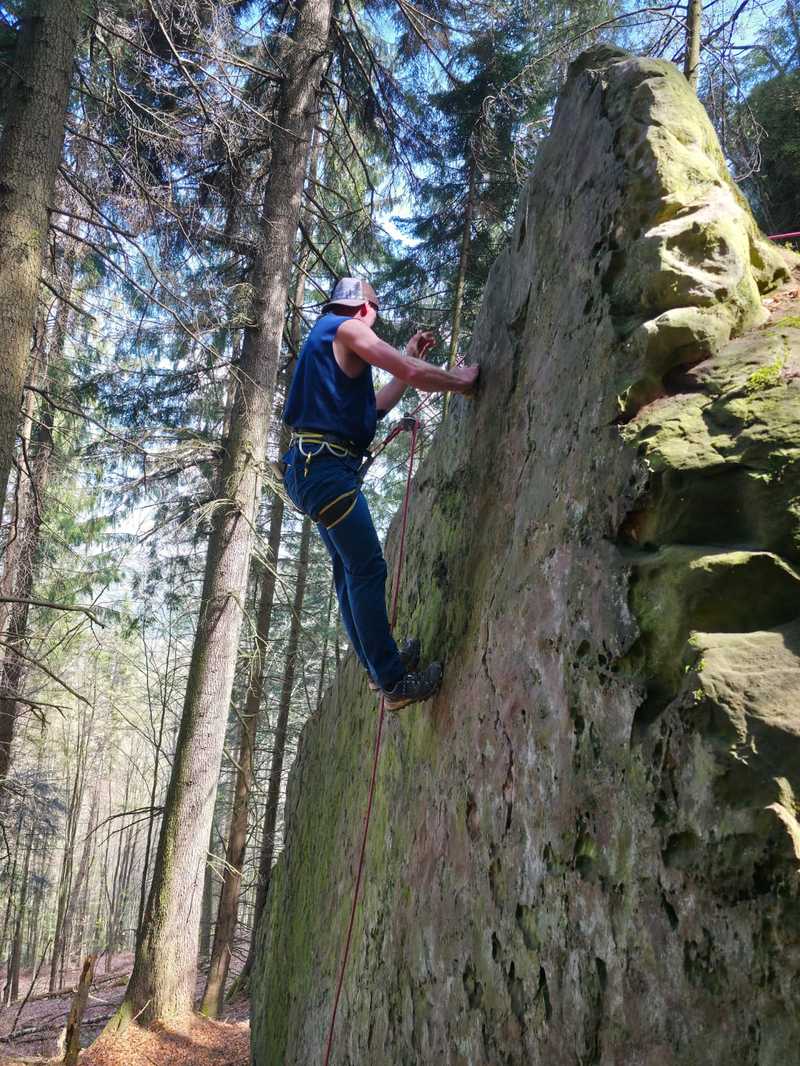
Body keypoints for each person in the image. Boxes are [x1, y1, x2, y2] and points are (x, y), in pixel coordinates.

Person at [282, 277, 479, 711]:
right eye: (375, 308)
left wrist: (408, 359)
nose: (376, 317)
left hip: (311, 467)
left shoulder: (326, 342)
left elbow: (373, 408)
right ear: (363, 307)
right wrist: (459, 380)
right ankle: (392, 681)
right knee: (367, 570)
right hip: (326, 469)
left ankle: (379, 666)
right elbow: (406, 373)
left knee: (350, 572)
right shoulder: (347, 329)